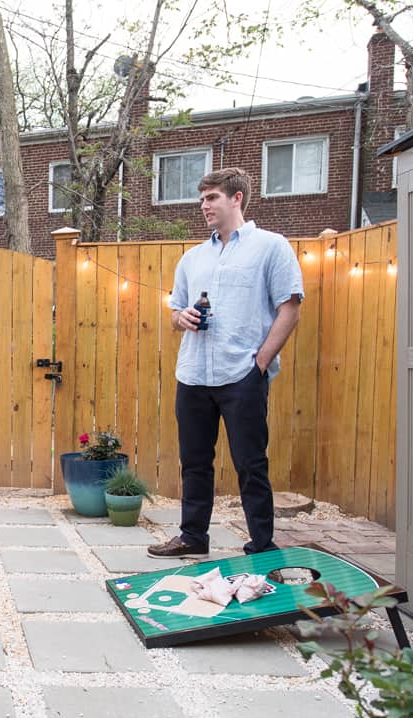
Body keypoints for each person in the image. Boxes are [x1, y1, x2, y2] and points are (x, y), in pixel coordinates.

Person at [147, 168, 303, 559]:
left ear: (237, 198)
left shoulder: (271, 247)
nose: (204, 206)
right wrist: (180, 318)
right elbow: (173, 312)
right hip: (194, 374)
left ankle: (262, 547)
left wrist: (261, 363)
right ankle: (192, 537)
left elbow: (290, 309)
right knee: (194, 463)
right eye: (202, 199)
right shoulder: (193, 257)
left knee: (251, 465)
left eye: (212, 197)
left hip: (242, 375)